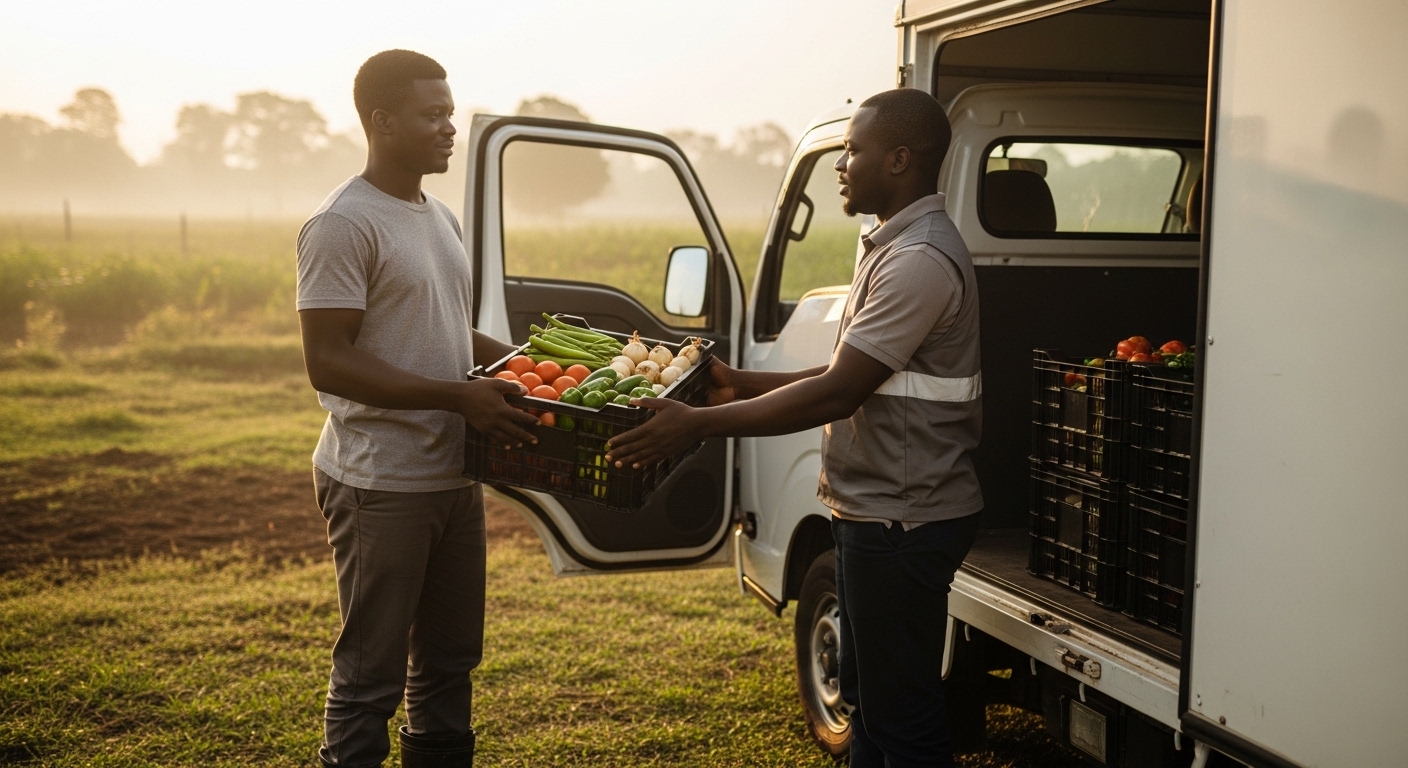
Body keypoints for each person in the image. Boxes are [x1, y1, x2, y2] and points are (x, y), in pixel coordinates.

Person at [606, 88, 983, 767]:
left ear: (899, 160)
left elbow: (838, 392)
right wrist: (741, 386)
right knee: (872, 709)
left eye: (853, 150)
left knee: (902, 722)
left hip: (903, 520)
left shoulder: (918, 260)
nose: (841, 164)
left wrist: (697, 423)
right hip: (882, 513)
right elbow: (853, 374)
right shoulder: (893, 245)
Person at [296, 49, 539, 768]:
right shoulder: (342, 224)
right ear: (382, 121)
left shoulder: (440, 218)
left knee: (449, 664)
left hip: (452, 476)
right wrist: (458, 396)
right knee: (370, 676)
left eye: (450, 113)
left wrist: (525, 366)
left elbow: (444, 329)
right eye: (432, 115)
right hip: (380, 481)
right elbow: (329, 359)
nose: (449, 128)